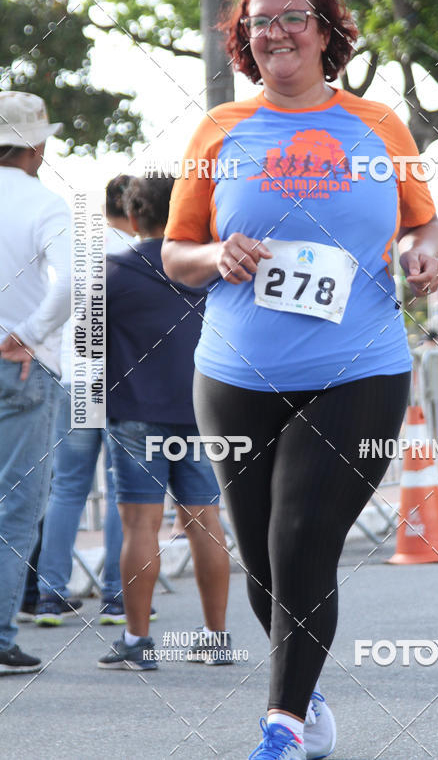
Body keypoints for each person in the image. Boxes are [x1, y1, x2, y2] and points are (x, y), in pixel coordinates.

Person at [162, 0, 438, 759]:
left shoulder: (379, 125)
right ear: (244, 40)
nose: (276, 32)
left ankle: (280, 726)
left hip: (360, 367)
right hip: (235, 374)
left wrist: (421, 255)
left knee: (301, 537)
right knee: (263, 560)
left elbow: (424, 223)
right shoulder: (219, 130)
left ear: (325, 31)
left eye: (292, 17)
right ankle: (305, 696)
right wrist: (216, 254)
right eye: (259, 22)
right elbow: (177, 252)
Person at [98, 173, 231, 671]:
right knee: (205, 522)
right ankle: (216, 639)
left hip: (135, 412)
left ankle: (137, 642)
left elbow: (86, 341)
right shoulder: (212, 270)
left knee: (140, 525)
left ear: (133, 217)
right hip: (201, 411)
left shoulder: (113, 273)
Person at [33, 176, 137, 626]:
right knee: (121, 490)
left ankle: (49, 596)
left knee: (68, 488)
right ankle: (117, 596)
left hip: (76, 379)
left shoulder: (79, 249)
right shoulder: (139, 253)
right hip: (120, 384)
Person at [0, 91, 70, 674]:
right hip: (19, 366)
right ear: (37, 146)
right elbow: (75, 279)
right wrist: (28, 332)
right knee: (16, 508)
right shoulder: (44, 203)